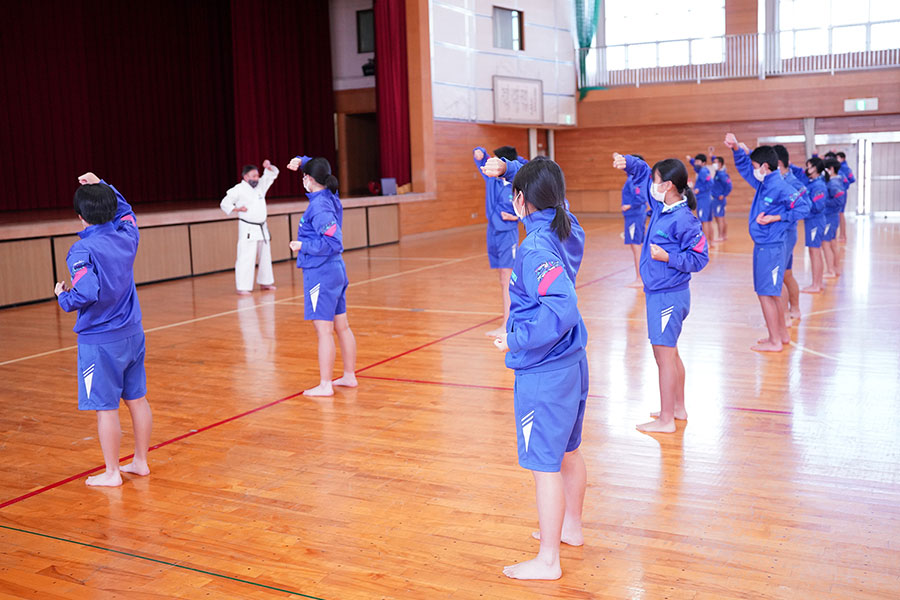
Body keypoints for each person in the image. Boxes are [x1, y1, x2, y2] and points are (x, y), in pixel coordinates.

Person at [482, 155, 588, 582]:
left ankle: (548, 560)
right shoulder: (568, 226)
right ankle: (571, 529)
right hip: (572, 363)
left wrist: (516, 338)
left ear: (522, 200)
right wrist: (513, 170)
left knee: (545, 463)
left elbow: (562, 306)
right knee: (568, 452)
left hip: (546, 370)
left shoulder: (535, 247)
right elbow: (548, 182)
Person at [54, 172, 152, 487]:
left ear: (80, 217)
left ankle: (112, 473)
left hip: (100, 342)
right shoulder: (127, 235)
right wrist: (106, 185)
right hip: (133, 333)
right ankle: (140, 461)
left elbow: (86, 292)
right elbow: (128, 212)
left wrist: (63, 297)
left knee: (105, 407)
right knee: (136, 398)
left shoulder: (81, 251)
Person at [614, 153, 708, 433]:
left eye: (657, 181)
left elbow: (700, 259)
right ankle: (677, 408)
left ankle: (666, 420)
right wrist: (628, 163)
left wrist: (668, 257)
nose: (651, 185)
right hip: (660, 293)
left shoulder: (684, 219)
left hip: (669, 296)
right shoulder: (661, 208)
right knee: (671, 353)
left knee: (663, 357)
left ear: (667, 185)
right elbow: (642, 173)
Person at [287, 156, 357, 397]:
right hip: (335, 271)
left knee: (324, 330)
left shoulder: (319, 206)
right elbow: (319, 165)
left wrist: (302, 245)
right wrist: (302, 160)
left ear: (310, 179)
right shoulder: (329, 195)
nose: (303, 179)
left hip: (321, 273)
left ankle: (325, 384)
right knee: (342, 326)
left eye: (305, 175)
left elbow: (333, 242)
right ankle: (348, 375)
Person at [724, 133, 796, 352]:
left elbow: (803, 207)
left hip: (772, 246)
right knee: (766, 292)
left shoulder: (780, 186)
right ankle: (780, 335)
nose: (753, 169)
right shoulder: (765, 182)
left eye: (756, 165)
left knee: (767, 294)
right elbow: (745, 169)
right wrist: (737, 149)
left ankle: (775, 340)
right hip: (764, 245)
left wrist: (778, 217)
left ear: (765, 166)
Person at [473, 145, 522, 335]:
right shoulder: (491, 179)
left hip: (508, 233)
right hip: (492, 231)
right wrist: (478, 151)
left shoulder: (517, 184)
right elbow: (480, 158)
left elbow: (532, 208)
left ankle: (508, 325)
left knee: (507, 278)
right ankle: (507, 322)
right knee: (502, 279)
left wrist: (516, 217)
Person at [220, 160, 279, 295]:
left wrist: (269, 168)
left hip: (262, 228)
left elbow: (271, 175)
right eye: (253, 176)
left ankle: (266, 282)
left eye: (257, 176)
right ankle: (243, 286)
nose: (256, 178)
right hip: (248, 228)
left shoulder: (260, 187)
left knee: (265, 256)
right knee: (246, 257)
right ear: (245, 177)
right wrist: (236, 208)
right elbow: (224, 203)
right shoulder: (238, 189)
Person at [773, 144, 811, 326]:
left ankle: (786, 315)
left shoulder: (792, 184)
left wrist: (783, 217)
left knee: (779, 276)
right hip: (780, 234)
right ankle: (794, 310)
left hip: (785, 234)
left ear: (778, 163)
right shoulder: (776, 181)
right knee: (787, 274)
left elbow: (806, 207)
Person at [801, 157, 828, 293]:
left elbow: (817, 206)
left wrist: (804, 199)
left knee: (815, 252)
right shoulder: (812, 183)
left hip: (815, 222)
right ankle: (818, 283)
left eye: (810, 166)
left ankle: (816, 285)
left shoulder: (818, 186)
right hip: (811, 221)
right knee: (814, 252)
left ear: (816, 169)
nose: (808, 169)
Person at [621, 153, 647, 287]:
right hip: (634, 215)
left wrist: (629, 205)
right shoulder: (633, 178)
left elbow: (641, 197)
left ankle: (640, 278)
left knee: (636, 246)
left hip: (634, 215)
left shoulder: (635, 179)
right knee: (637, 246)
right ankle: (641, 276)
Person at [822, 157, 846, 278]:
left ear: (831, 169)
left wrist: (824, 202)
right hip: (831, 217)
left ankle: (830, 270)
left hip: (830, 217)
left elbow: (839, 200)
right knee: (832, 244)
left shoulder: (833, 183)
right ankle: (836, 268)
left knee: (826, 243)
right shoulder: (834, 181)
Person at [687, 153, 714, 242]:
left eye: (698, 162)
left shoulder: (703, 172)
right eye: (695, 161)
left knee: (704, 221)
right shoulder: (703, 170)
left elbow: (710, 183)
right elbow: (696, 167)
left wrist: (699, 189)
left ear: (703, 163)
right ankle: (711, 241)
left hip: (703, 199)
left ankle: (706, 243)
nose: (696, 163)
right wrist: (691, 160)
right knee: (709, 221)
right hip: (707, 199)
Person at [708, 148, 732, 241]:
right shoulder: (718, 172)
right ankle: (723, 235)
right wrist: (711, 154)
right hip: (716, 198)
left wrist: (724, 194)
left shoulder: (722, 174)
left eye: (716, 162)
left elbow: (729, 186)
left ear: (721, 164)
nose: (714, 164)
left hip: (719, 199)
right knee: (719, 217)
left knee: (720, 218)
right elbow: (713, 158)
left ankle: (721, 236)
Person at [835, 151, 855, 243]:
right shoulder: (840, 168)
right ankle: (841, 234)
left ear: (842, 158)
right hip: (839, 193)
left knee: (841, 214)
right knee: (839, 214)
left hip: (840, 194)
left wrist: (842, 187)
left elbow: (850, 179)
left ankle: (843, 235)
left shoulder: (844, 168)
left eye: (838, 158)